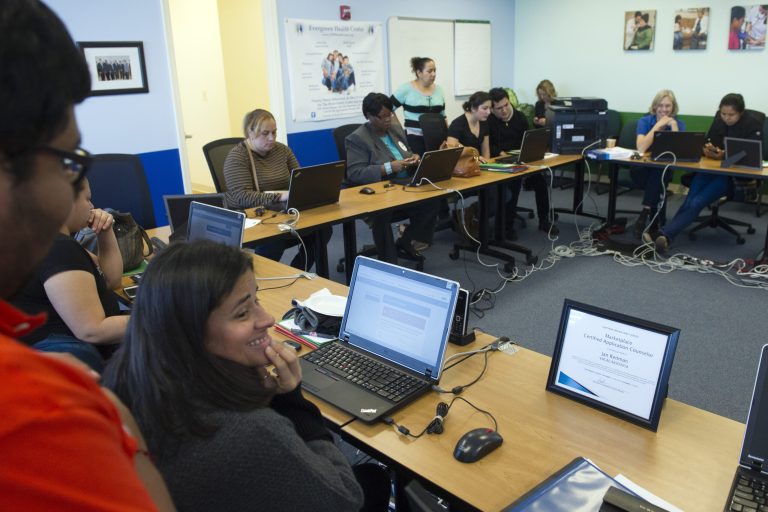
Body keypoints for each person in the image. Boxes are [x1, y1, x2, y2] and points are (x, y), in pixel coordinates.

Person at [0, 0, 173, 509]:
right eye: (69, 162)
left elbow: (111, 283)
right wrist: (111, 418)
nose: (72, 193)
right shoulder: (38, 414)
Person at [104, 241, 389, 511]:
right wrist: (292, 402)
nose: (267, 319)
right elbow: (345, 498)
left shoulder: (126, 375)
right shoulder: (248, 432)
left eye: (257, 299)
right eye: (242, 313)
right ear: (190, 333)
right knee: (372, 479)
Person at [11, 177, 127, 372]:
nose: (92, 206)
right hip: (71, 356)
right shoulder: (59, 248)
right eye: (87, 199)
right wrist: (158, 318)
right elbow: (92, 330)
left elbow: (110, 279)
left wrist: (104, 232)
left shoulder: (37, 237)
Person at [646, 93, 763, 253]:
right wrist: (709, 150)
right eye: (723, 114)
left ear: (740, 113)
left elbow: (751, 154)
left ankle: (665, 234)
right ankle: (667, 235)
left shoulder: (753, 124)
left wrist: (725, 155)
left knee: (697, 202)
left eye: (731, 115)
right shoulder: (719, 120)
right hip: (712, 168)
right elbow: (709, 141)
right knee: (689, 200)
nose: (726, 118)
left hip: (731, 175)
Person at [223, 108, 330, 270]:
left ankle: (298, 271)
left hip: (281, 212)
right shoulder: (237, 157)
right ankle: (261, 279)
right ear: (250, 133)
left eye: (274, 132)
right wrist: (280, 196)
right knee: (275, 238)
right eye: (265, 133)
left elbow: (300, 179)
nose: (271, 138)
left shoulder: (282, 150)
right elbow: (242, 197)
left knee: (322, 230)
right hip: (255, 218)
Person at [345, 92, 439, 263]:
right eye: (383, 117)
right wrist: (389, 167)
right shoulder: (358, 138)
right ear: (369, 116)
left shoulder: (395, 130)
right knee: (382, 213)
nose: (388, 120)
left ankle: (405, 240)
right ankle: (388, 261)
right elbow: (355, 173)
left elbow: (407, 152)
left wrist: (415, 158)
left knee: (433, 199)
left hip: (404, 186)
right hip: (380, 192)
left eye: (390, 115)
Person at [488, 87, 557, 237]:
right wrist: (499, 153)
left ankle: (544, 221)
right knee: (513, 185)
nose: (504, 110)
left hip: (522, 159)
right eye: (499, 108)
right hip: (501, 162)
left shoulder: (519, 117)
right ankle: (507, 227)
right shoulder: (490, 121)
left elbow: (528, 139)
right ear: (492, 109)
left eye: (506, 105)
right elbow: (488, 144)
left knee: (541, 183)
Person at [631, 90, 686, 238]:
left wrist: (673, 127)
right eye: (660, 105)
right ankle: (655, 220)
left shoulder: (679, 123)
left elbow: (678, 154)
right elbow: (641, 148)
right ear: (655, 107)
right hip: (640, 169)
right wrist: (658, 126)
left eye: (668, 105)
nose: (664, 109)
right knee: (658, 177)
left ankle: (646, 212)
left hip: (662, 170)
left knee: (659, 171)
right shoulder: (645, 121)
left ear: (673, 107)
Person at [390, 57, 446, 156]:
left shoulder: (439, 90)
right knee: (420, 169)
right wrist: (398, 129)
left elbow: (443, 116)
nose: (433, 74)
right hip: (415, 140)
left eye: (434, 70)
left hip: (437, 139)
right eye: (429, 71)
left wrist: (447, 137)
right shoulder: (406, 89)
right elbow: (387, 109)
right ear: (419, 72)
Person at [447, 91, 492, 161]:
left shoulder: (484, 122)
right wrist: (475, 157)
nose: (489, 112)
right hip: (461, 166)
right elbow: (450, 149)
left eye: (490, 108)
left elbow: (486, 151)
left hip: (477, 165)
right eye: (485, 108)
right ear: (473, 108)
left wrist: (487, 165)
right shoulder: (457, 124)